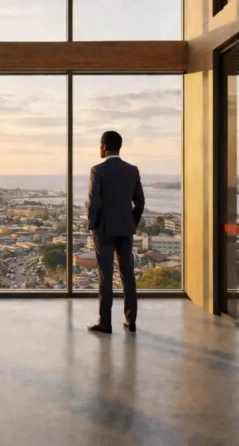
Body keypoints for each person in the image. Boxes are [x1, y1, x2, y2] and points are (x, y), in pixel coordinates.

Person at [86, 131, 145, 334]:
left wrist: (92, 225)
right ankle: (131, 321)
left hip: (104, 230)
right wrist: (132, 222)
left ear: (103, 146)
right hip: (125, 229)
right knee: (128, 274)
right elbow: (140, 202)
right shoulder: (132, 170)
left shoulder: (97, 170)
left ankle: (105, 323)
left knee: (106, 276)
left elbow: (93, 203)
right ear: (119, 147)